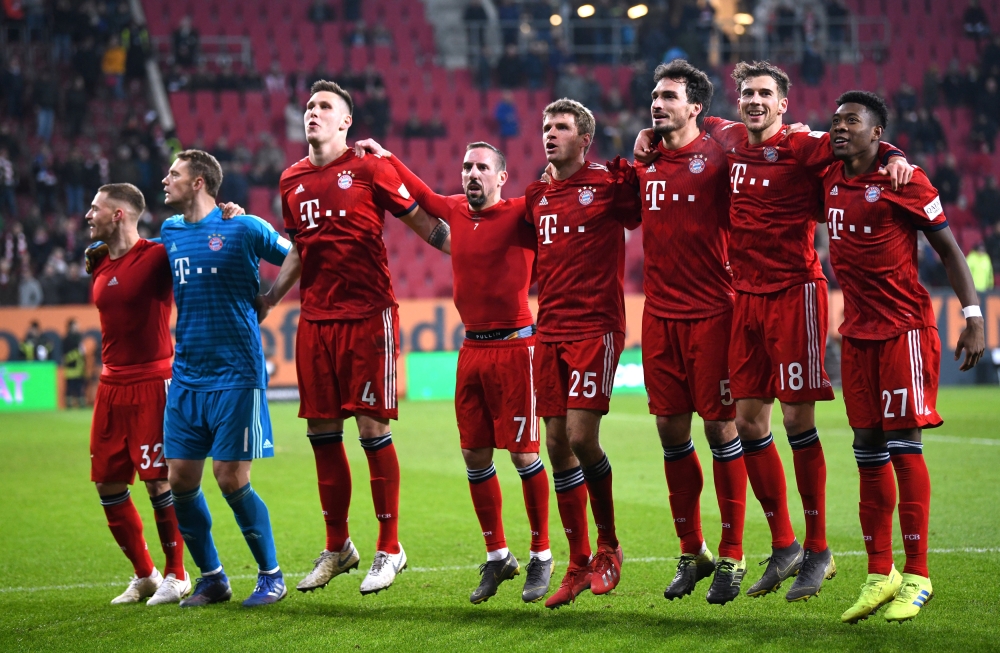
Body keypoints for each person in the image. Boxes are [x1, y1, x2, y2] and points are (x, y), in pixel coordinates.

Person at [634, 60, 913, 601]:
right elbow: (688, 125)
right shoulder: (727, 134)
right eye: (748, 93)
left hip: (796, 293)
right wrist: (651, 131)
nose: (755, 100)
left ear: (784, 103)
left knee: (795, 418)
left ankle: (818, 549)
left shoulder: (805, 144)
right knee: (746, 419)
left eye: (766, 93)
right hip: (746, 297)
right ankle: (784, 544)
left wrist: (896, 155)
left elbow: (858, 145)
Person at [259, 80, 449, 597]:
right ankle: (339, 546)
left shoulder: (371, 168)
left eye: (324, 107)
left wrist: (476, 250)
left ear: (346, 122)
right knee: (322, 435)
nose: (312, 113)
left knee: (370, 431)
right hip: (316, 321)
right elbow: (300, 248)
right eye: (308, 107)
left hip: (368, 316)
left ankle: (391, 547)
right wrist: (273, 298)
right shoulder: (291, 179)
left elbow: (425, 225)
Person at [353, 137, 553, 605]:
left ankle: (542, 553)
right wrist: (386, 156)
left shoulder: (523, 213)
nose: (472, 174)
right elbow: (421, 194)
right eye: (466, 167)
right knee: (475, 458)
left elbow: (558, 208)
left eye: (482, 167)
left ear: (501, 177)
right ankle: (498, 554)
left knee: (524, 456)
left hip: (516, 347)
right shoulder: (458, 210)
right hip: (471, 351)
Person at [822, 91, 984, 623]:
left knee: (903, 445)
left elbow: (950, 251)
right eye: (837, 120)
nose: (840, 128)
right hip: (859, 334)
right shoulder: (829, 175)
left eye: (853, 121)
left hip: (904, 332)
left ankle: (918, 575)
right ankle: (880, 572)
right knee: (866, 447)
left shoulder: (905, 181)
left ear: (877, 131)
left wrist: (974, 318)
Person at [623, 60, 748, 605]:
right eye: (654, 94)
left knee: (722, 432)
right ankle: (691, 549)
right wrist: (640, 145)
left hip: (713, 314)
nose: (657, 102)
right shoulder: (645, 161)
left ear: (695, 107)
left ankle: (733, 554)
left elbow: (743, 130)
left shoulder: (720, 149)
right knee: (671, 434)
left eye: (669, 95)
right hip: (659, 318)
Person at [159, 150, 291, 607]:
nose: (165, 180)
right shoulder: (170, 231)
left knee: (230, 477)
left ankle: (271, 575)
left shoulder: (245, 227)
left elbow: (297, 255)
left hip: (237, 372)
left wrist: (271, 297)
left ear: (199, 182)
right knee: (179, 480)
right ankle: (212, 577)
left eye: (173, 174)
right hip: (187, 375)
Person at [525, 99, 641, 609]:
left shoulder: (610, 184)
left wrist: (642, 155)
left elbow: (641, 209)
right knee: (554, 443)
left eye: (562, 127)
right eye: (547, 126)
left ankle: (610, 547)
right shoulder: (536, 194)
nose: (550, 133)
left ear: (585, 139)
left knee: (579, 435)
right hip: (549, 329)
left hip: (596, 327)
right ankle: (575, 563)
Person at [84, 183, 189, 605]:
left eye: (96, 207)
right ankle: (145, 574)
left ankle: (177, 574)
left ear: (120, 214)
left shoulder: (158, 255)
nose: (88, 214)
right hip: (110, 386)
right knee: (107, 483)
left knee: (158, 483)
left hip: (152, 383)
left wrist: (228, 216)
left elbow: (201, 247)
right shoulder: (97, 260)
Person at [62, 318, 87, 408]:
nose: (77, 327)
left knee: (79, 386)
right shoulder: (67, 339)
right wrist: (77, 353)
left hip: (79, 367)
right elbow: (65, 355)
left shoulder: (79, 338)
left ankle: (81, 403)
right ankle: (69, 403)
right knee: (70, 386)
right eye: (76, 325)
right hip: (71, 367)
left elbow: (82, 351)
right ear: (71, 326)